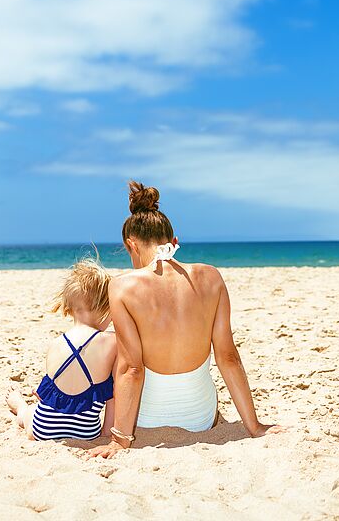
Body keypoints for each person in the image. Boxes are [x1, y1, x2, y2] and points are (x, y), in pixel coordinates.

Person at [89, 181, 284, 459]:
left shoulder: (122, 286)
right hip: (200, 418)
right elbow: (228, 358)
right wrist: (254, 427)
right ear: (174, 242)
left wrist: (121, 441)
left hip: (144, 419)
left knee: (111, 349)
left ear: (130, 245)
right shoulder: (212, 277)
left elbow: (132, 369)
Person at [6, 258, 117, 441]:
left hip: (43, 429)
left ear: (69, 308)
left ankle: (21, 407)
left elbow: (51, 394)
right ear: (102, 308)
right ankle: (20, 405)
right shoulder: (112, 342)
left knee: (30, 413)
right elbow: (114, 395)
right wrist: (106, 432)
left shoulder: (55, 344)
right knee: (32, 409)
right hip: (87, 432)